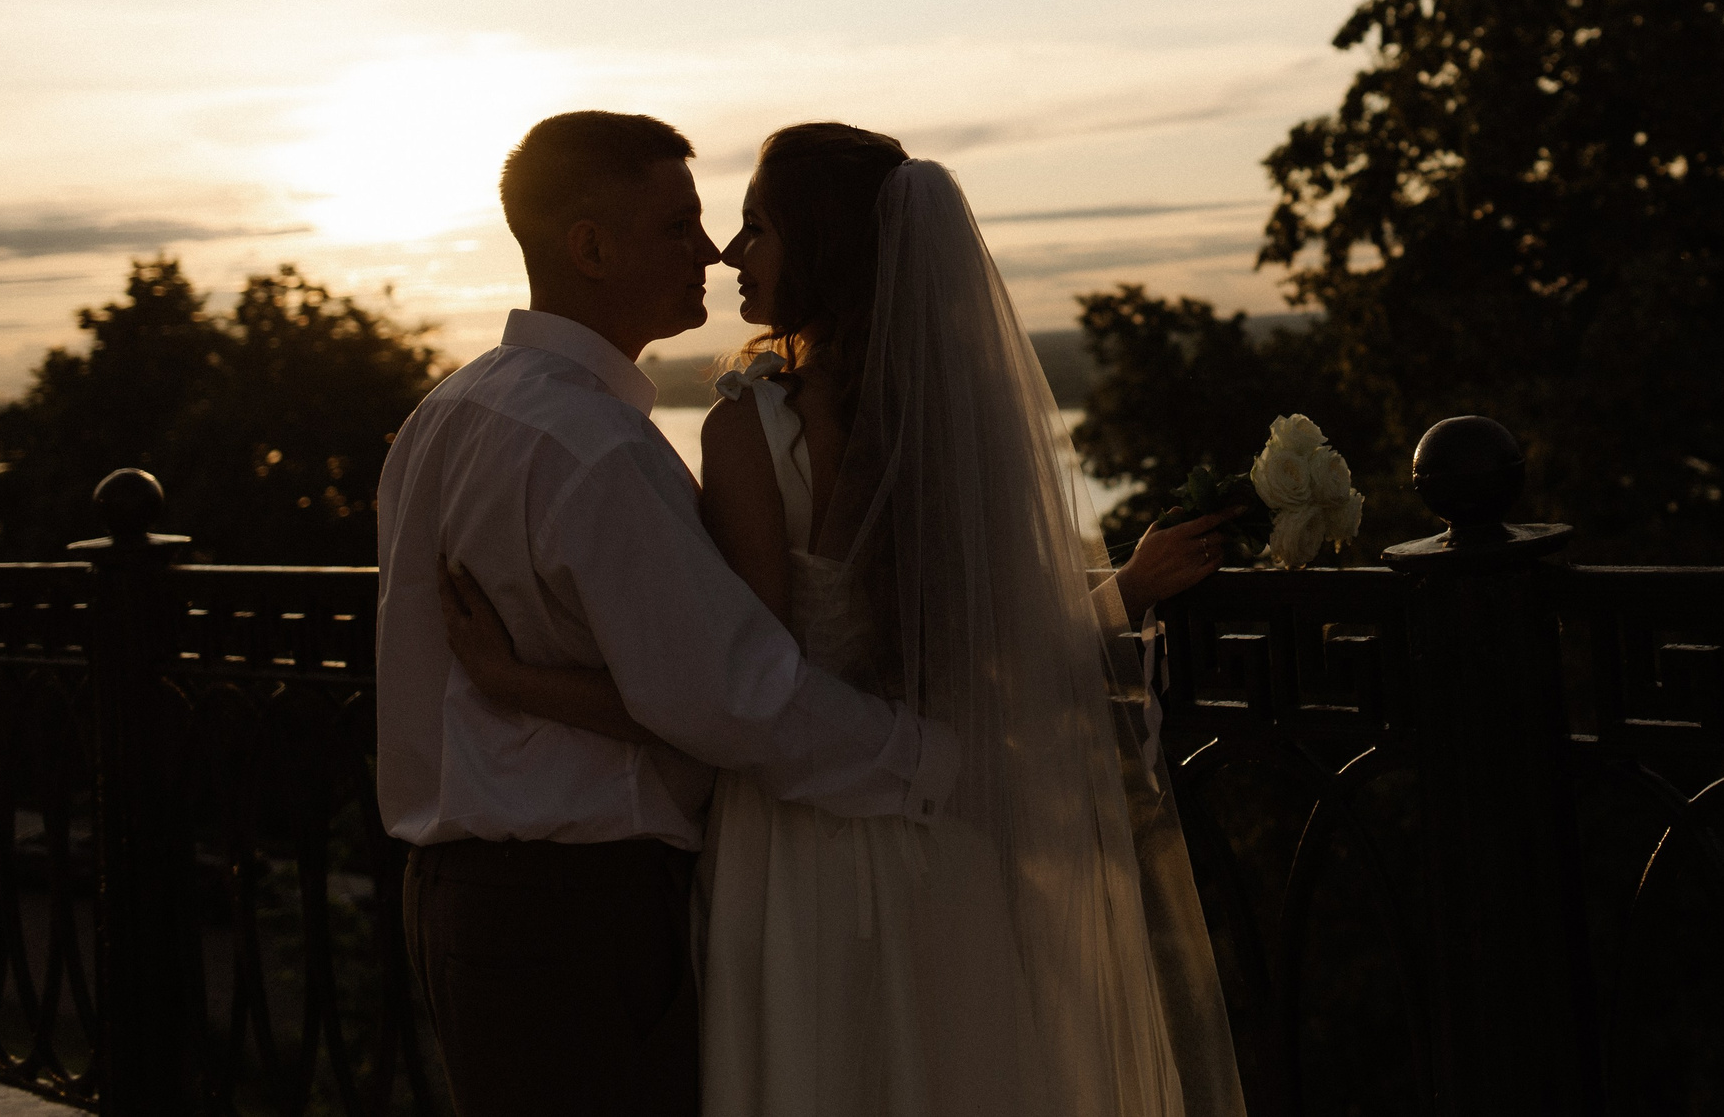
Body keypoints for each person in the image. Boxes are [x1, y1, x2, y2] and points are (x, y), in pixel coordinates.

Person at [441, 121, 1249, 1117]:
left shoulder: (747, 423)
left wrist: (519, 683)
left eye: (755, 228)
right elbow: (1001, 648)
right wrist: (1122, 589)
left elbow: (729, 690)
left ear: (817, 245)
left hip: (795, 842)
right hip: (940, 836)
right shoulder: (942, 426)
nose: (730, 253)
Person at [376, 112, 962, 1117]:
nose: (709, 250)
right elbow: (731, 696)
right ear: (590, 247)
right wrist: (931, 763)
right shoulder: (594, 449)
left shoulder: (450, 411)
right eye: (678, 224)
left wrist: (521, 685)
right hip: (577, 915)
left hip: (461, 901)